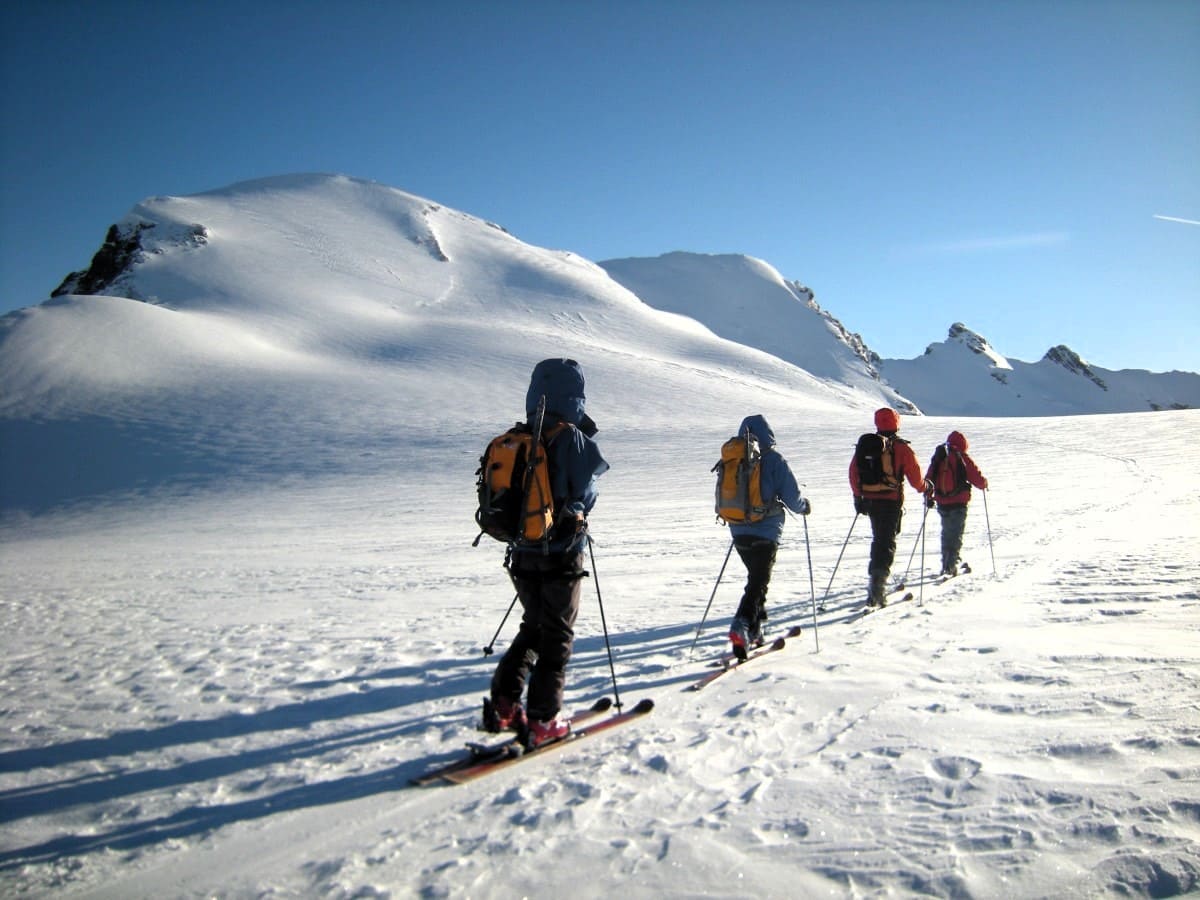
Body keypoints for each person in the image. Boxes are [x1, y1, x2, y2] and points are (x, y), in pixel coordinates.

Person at [485, 359, 609, 748]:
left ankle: (505, 705)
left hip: (521, 551)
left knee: (534, 627)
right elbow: (585, 492)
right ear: (576, 395)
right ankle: (543, 718)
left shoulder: (517, 437)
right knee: (556, 635)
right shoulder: (570, 437)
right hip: (561, 550)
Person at [725, 414, 810, 659]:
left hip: (738, 530)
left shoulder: (732, 458)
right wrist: (804, 506)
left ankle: (755, 630)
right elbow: (793, 499)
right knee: (758, 582)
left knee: (757, 578)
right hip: (766, 530)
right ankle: (741, 626)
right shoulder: (773, 460)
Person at [848, 408, 928, 608]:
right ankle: (877, 587)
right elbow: (916, 479)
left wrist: (858, 497)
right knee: (886, 541)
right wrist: (926, 488)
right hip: (891, 501)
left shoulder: (866, 445)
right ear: (896, 423)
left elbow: (853, 472)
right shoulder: (901, 448)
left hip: (870, 501)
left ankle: (876, 581)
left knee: (880, 539)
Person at [924, 430, 988, 576]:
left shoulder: (940, 457)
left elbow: (929, 477)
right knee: (956, 533)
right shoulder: (962, 457)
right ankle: (951, 564)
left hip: (942, 502)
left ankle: (946, 562)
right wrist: (984, 484)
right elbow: (976, 477)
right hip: (959, 502)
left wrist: (928, 496)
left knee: (946, 532)